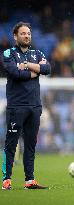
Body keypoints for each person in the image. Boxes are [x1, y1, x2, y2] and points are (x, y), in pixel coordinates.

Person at [1, 22, 51, 190]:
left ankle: (30, 180)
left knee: (30, 144)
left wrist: (28, 66)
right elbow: (14, 72)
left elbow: (47, 69)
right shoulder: (9, 53)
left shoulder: (37, 53)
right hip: (17, 106)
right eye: (23, 33)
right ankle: (6, 179)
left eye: (28, 33)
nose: (27, 36)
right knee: (11, 144)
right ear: (15, 36)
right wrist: (34, 72)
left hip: (35, 106)